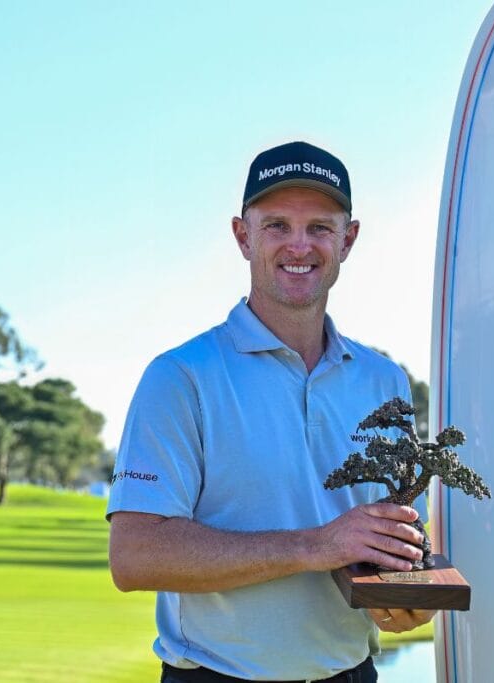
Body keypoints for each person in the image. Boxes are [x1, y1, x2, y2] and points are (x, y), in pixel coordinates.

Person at [107, 141, 435, 682]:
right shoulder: (180, 376)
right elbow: (135, 555)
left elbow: (393, 538)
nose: (299, 245)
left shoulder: (384, 380)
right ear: (243, 236)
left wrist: (406, 597)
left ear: (348, 240)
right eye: (277, 225)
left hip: (352, 673)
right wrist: (318, 545)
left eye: (321, 228)